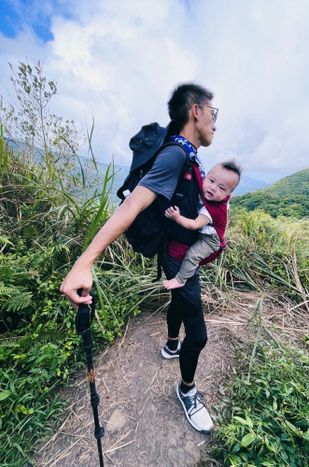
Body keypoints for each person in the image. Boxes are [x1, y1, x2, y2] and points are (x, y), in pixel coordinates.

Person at [60, 83, 218, 434]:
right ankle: (187, 390)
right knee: (202, 336)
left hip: (177, 252)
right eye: (213, 113)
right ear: (195, 111)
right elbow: (131, 205)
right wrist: (84, 262)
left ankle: (171, 345)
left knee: (180, 298)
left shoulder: (186, 152)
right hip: (178, 257)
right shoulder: (175, 155)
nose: (215, 122)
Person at [163, 161, 241, 290]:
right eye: (211, 181)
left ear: (228, 196)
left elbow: (194, 225)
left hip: (210, 240)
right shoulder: (215, 198)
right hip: (207, 233)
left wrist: (177, 217)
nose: (213, 188)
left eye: (221, 188)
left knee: (192, 256)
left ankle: (180, 279)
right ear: (205, 177)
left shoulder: (211, 210)